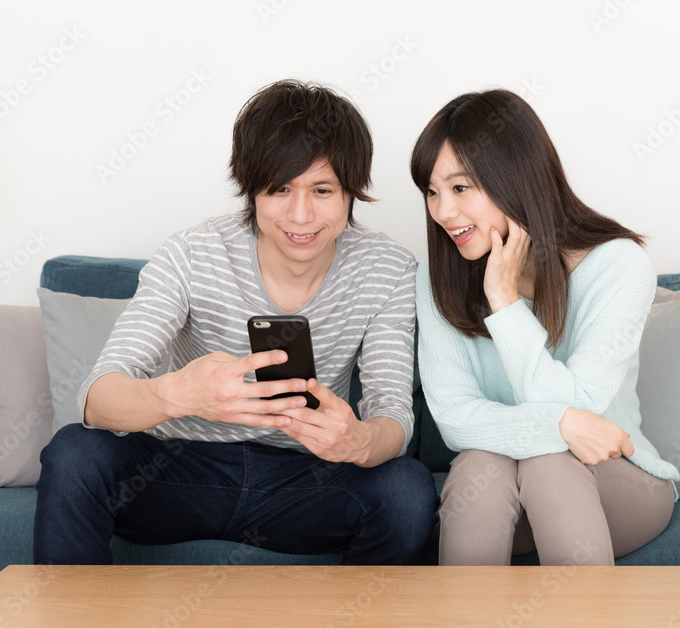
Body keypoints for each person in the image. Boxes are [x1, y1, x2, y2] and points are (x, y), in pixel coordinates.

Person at [34, 80, 437, 565]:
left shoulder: (388, 268)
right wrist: (179, 394)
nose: (301, 214)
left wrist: (360, 440)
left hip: (306, 481)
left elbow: (392, 411)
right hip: (178, 471)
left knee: (407, 488)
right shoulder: (190, 254)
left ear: (352, 191)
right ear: (251, 188)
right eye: (280, 188)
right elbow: (96, 399)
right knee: (75, 453)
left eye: (323, 190)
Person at [410, 89, 680, 566]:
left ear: (514, 177)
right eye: (432, 191)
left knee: (550, 462)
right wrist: (558, 422)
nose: (443, 212)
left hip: (615, 481)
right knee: (478, 465)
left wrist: (505, 301)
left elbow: (584, 410)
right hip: (505, 500)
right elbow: (454, 418)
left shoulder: (618, 265)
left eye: (460, 187)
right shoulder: (439, 278)